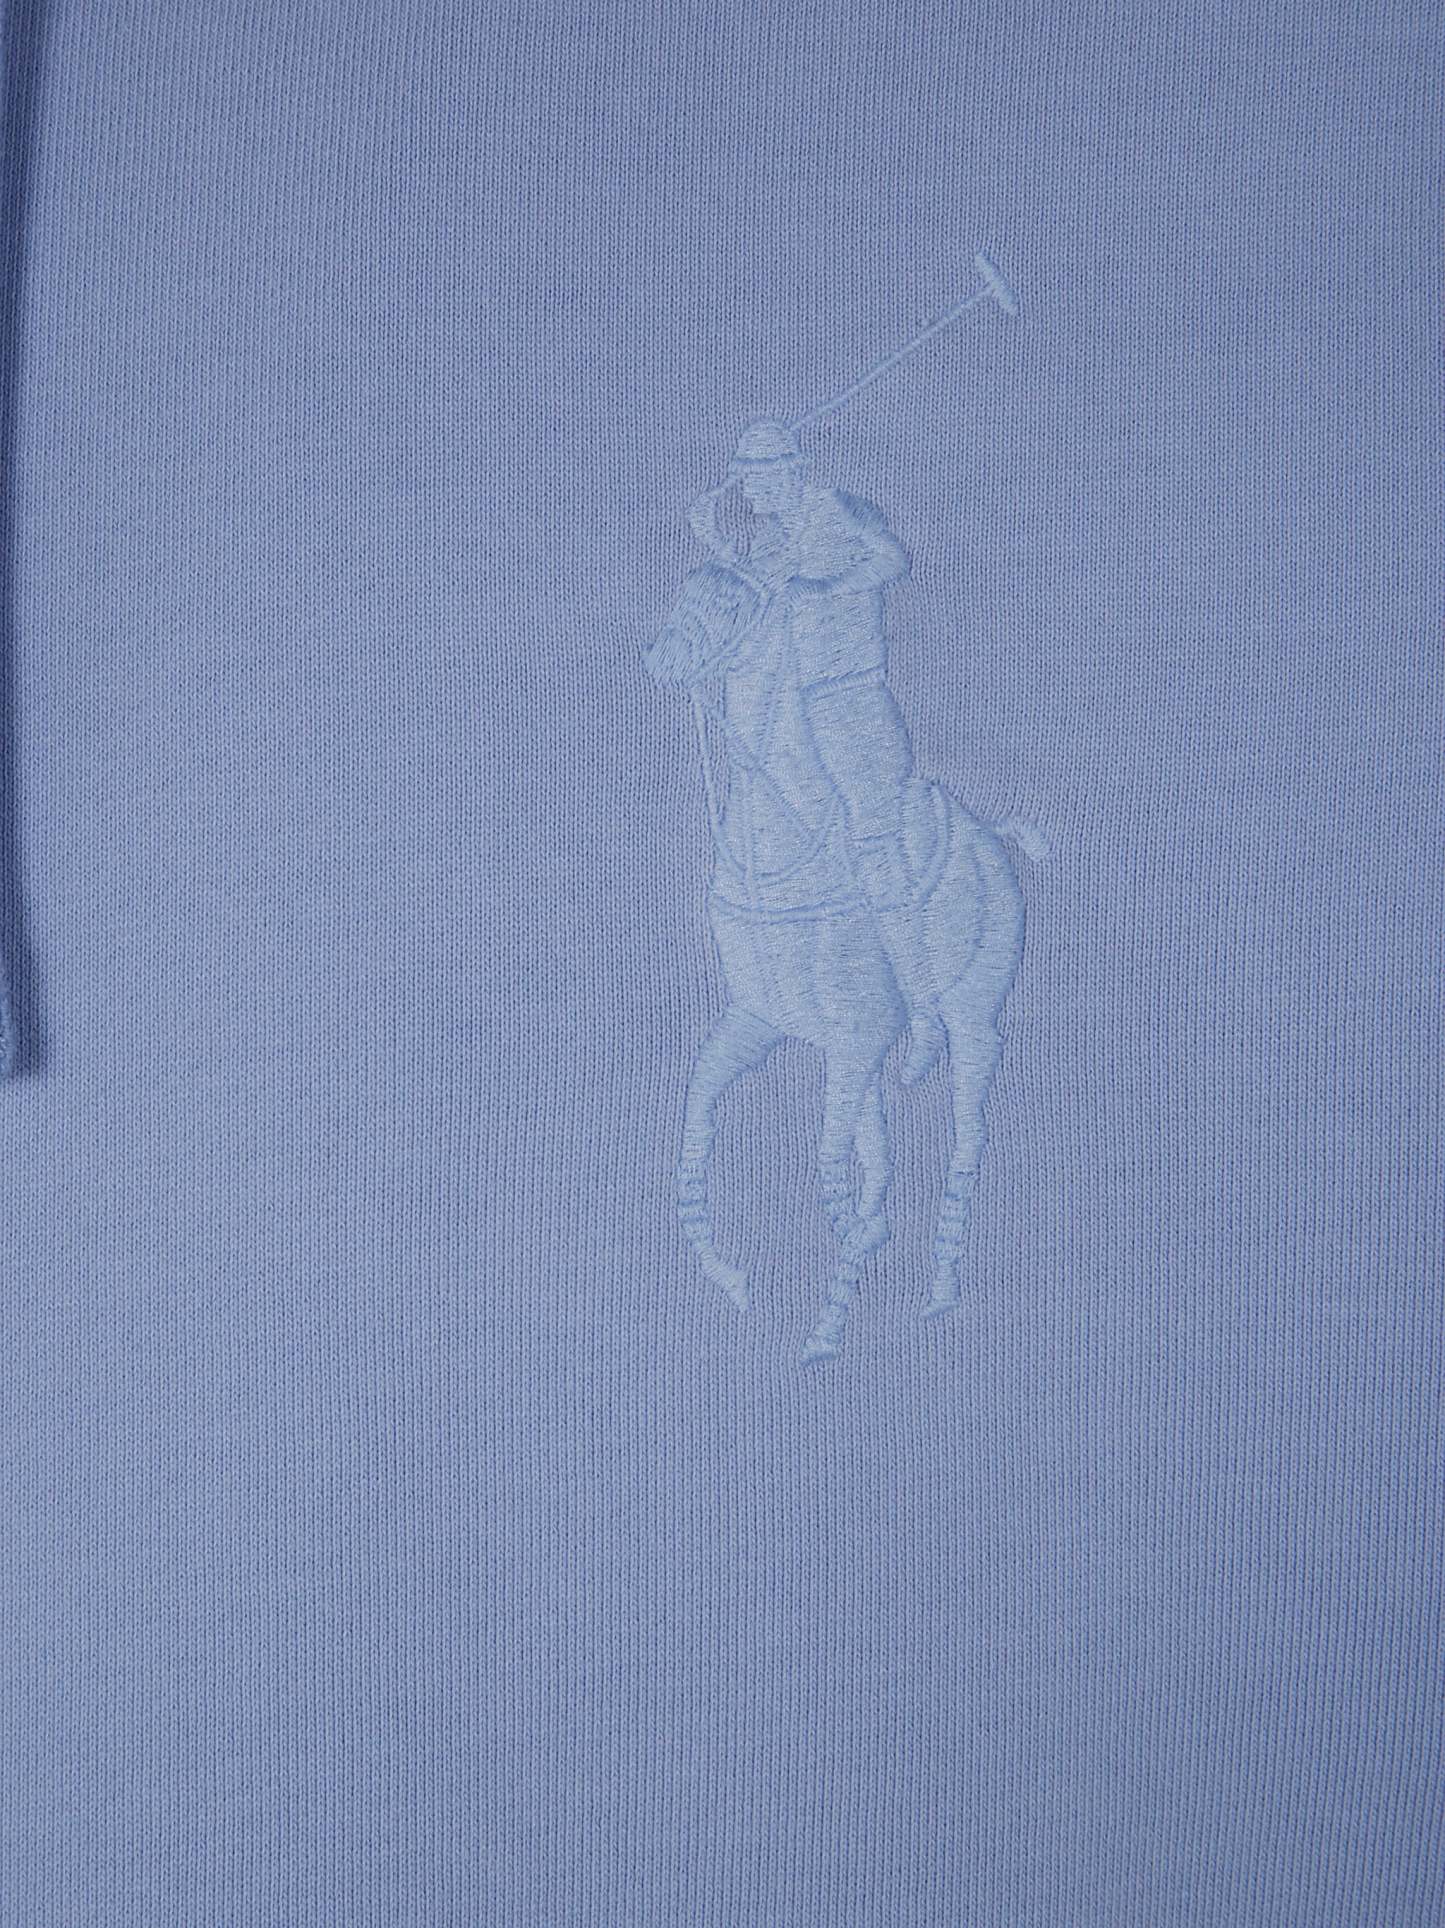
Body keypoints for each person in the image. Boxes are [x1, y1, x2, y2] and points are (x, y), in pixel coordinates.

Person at [688, 419, 943, 1055]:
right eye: (743, 479)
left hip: (850, 704)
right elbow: (749, 598)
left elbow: (892, 559)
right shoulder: (769, 539)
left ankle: (924, 1009)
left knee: (875, 845)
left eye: (758, 478)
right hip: (789, 710)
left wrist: (824, 586)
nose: (749, 492)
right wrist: (716, 542)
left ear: (791, 472)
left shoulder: (837, 509)